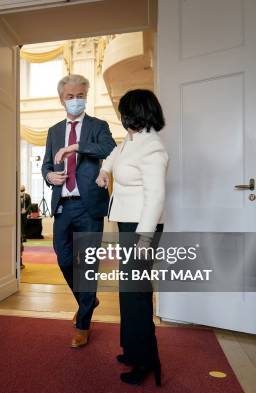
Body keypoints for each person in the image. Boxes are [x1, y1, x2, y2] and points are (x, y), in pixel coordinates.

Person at [96, 89, 168, 387]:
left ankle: (147, 360)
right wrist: (104, 171)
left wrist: (145, 238)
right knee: (128, 292)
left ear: (136, 113)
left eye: (124, 111)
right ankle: (131, 349)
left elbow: (156, 197)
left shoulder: (152, 148)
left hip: (141, 228)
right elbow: (115, 154)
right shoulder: (132, 140)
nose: (121, 116)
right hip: (127, 223)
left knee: (137, 294)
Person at [42, 74, 116, 348]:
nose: (76, 101)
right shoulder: (52, 131)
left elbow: (110, 149)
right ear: (62, 99)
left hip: (89, 206)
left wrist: (76, 147)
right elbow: (47, 165)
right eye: (70, 97)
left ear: (86, 95)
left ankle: (83, 323)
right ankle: (88, 300)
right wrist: (49, 176)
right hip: (63, 205)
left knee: (88, 267)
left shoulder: (98, 126)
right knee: (63, 260)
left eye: (80, 96)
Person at [19, 185, 32, 269]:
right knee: (19, 226)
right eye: (20, 190)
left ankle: (23, 236)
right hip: (18, 214)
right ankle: (21, 237)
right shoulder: (15, 195)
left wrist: (27, 211)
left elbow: (29, 205)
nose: (22, 191)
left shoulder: (27, 196)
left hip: (25, 214)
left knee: (24, 225)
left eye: (23, 190)